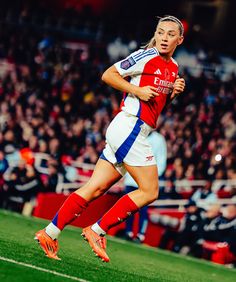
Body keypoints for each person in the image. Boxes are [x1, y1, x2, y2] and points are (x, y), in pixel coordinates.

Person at [35, 15, 185, 262]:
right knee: (150, 191)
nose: (164, 38)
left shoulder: (174, 67)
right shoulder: (145, 56)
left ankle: (49, 233)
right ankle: (97, 230)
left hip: (131, 129)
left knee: (95, 187)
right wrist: (136, 90)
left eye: (170, 34)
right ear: (155, 34)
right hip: (130, 127)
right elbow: (108, 74)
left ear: (180, 39)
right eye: (160, 32)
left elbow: (156, 104)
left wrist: (173, 94)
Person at [124, 131, 167, 243]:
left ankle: (141, 234)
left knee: (143, 209)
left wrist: (154, 176)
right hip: (131, 178)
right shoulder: (136, 133)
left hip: (146, 179)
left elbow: (161, 160)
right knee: (128, 206)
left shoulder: (159, 139)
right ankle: (128, 231)